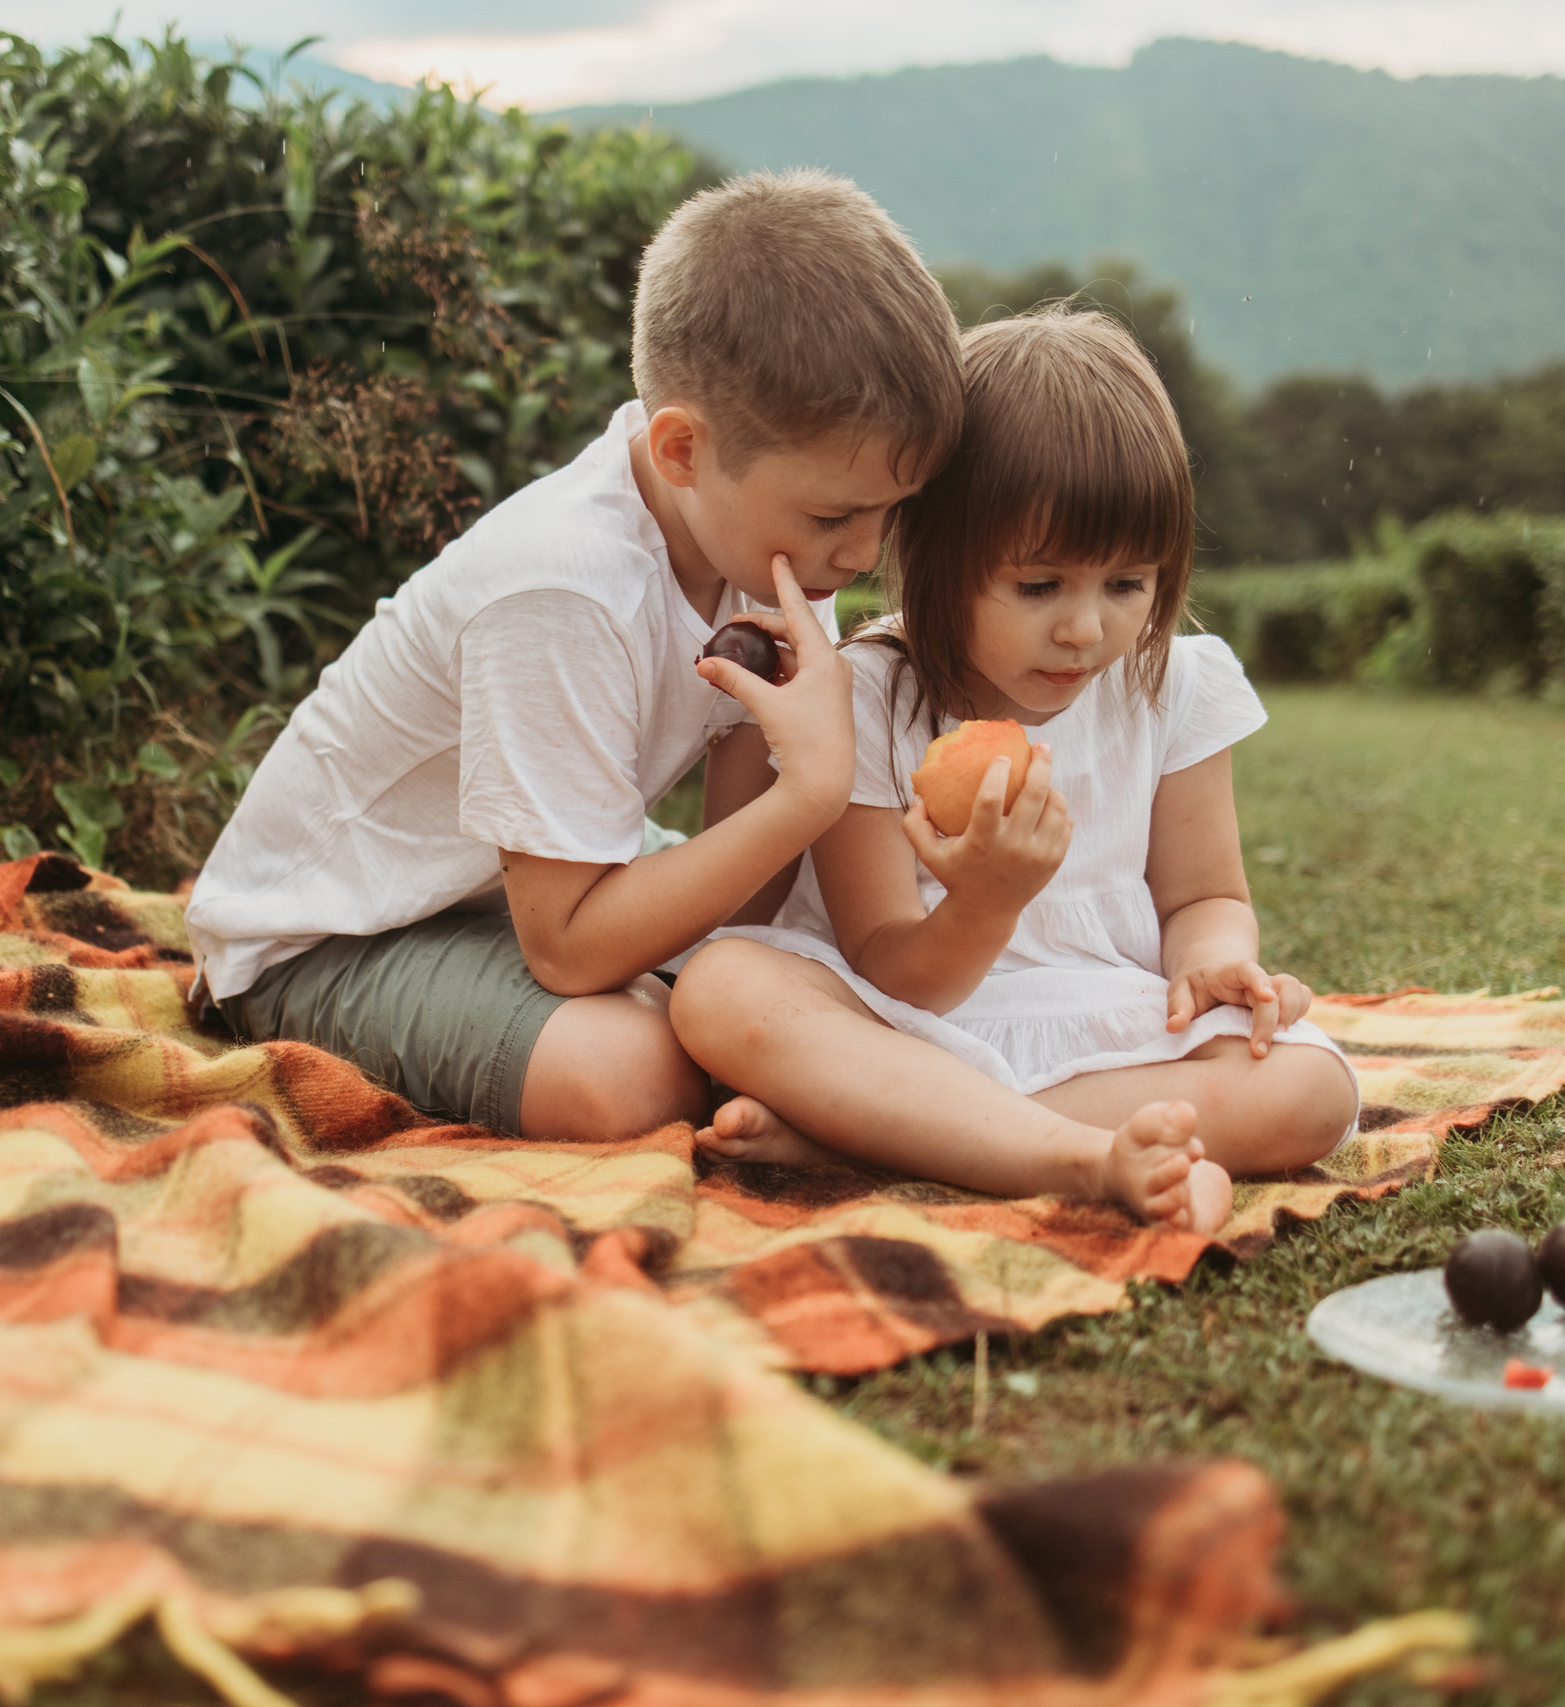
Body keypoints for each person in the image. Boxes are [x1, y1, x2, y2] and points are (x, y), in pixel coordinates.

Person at [185, 170, 964, 1141]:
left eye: (893, 513)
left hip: (519, 897)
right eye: (838, 517)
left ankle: (809, 1108)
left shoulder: (773, 542)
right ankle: (790, 1103)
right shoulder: (563, 589)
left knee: (821, 957)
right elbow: (566, 952)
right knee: (627, 1075)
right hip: (337, 935)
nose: (863, 554)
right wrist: (806, 794)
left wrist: (788, 802)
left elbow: (744, 911)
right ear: (680, 450)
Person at [666, 304, 1360, 1232]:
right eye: (1039, 587)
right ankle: (1068, 1157)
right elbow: (891, 968)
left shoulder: (1172, 684)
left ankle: (873, 1140)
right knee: (725, 988)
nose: (1087, 629)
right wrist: (986, 902)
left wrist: (1216, 964)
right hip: (895, 1026)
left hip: (1102, 1025)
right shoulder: (871, 696)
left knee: (1312, 1087)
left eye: (1128, 583)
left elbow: (1203, 896)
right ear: (939, 559)